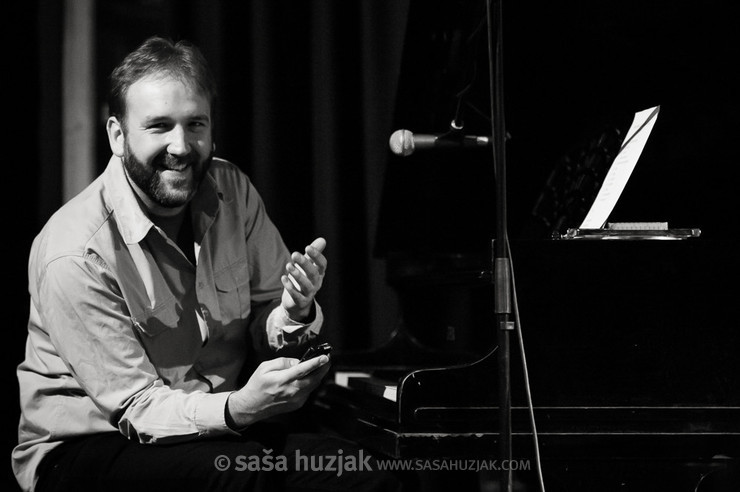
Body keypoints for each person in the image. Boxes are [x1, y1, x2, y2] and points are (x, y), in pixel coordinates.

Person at [13, 36, 401, 492]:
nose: (182, 146)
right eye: (159, 126)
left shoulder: (231, 190)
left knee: (356, 469)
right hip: (89, 446)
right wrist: (240, 409)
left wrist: (291, 314)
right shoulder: (74, 252)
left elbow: (265, 318)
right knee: (241, 476)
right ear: (118, 136)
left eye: (195, 123)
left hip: (214, 428)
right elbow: (137, 408)